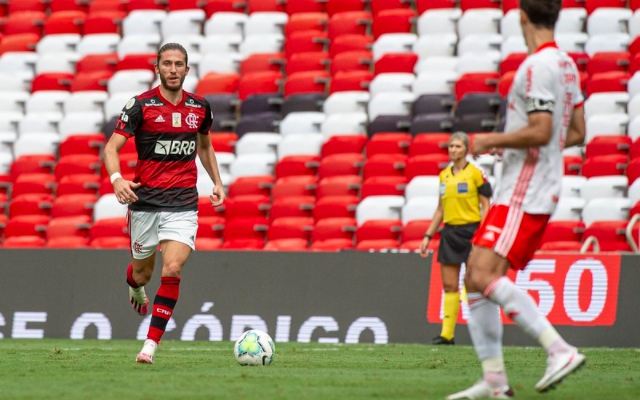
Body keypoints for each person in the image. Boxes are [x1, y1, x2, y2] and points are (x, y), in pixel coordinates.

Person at [446, 0, 586, 398]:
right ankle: (494, 382)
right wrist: (511, 148)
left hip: (525, 188)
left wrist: (491, 139)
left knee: (484, 274)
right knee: (474, 274)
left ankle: (558, 349)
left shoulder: (536, 67)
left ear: (521, 16)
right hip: (535, 182)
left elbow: (542, 130)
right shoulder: (566, 66)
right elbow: (574, 131)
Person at [103, 43, 226, 364]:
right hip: (145, 203)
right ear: (158, 68)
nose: (173, 69)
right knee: (143, 274)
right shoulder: (140, 105)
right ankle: (134, 286)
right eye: (167, 64)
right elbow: (110, 148)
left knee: (173, 268)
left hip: (183, 202)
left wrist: (217, 181)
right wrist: (117, 179)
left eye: (179, 64)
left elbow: (205, 147)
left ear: (187, 70)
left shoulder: (200, 107)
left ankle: (150, 346)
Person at [419, 132, 491, 346]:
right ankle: (447, 335)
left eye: (458, 146)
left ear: (466, 149)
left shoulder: (476, 174)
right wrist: (427, 235)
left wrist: (483, 232)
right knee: (450, 285)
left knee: (474, 284)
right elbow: (440, 209)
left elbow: (486, 205)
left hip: (471, 232)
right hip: (450, 233)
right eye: (451, 146)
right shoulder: (444, 176)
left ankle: (482, 332)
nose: (453, 150)